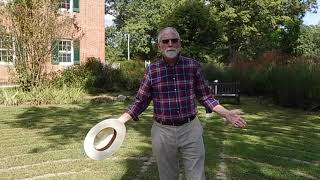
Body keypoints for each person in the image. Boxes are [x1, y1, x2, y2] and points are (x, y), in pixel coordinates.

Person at [117, 27, 246, 180]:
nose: (170, 44)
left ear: (180, 44)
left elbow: (205, 97)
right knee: (167, 177)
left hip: (190, 129)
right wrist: (119, 122)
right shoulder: (152, 70)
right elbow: (141, 101)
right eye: (165, 41)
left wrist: (227, 113)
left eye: (174, 40)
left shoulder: (193, 66)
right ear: (159, 46)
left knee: (196, 176)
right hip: (162, 131)